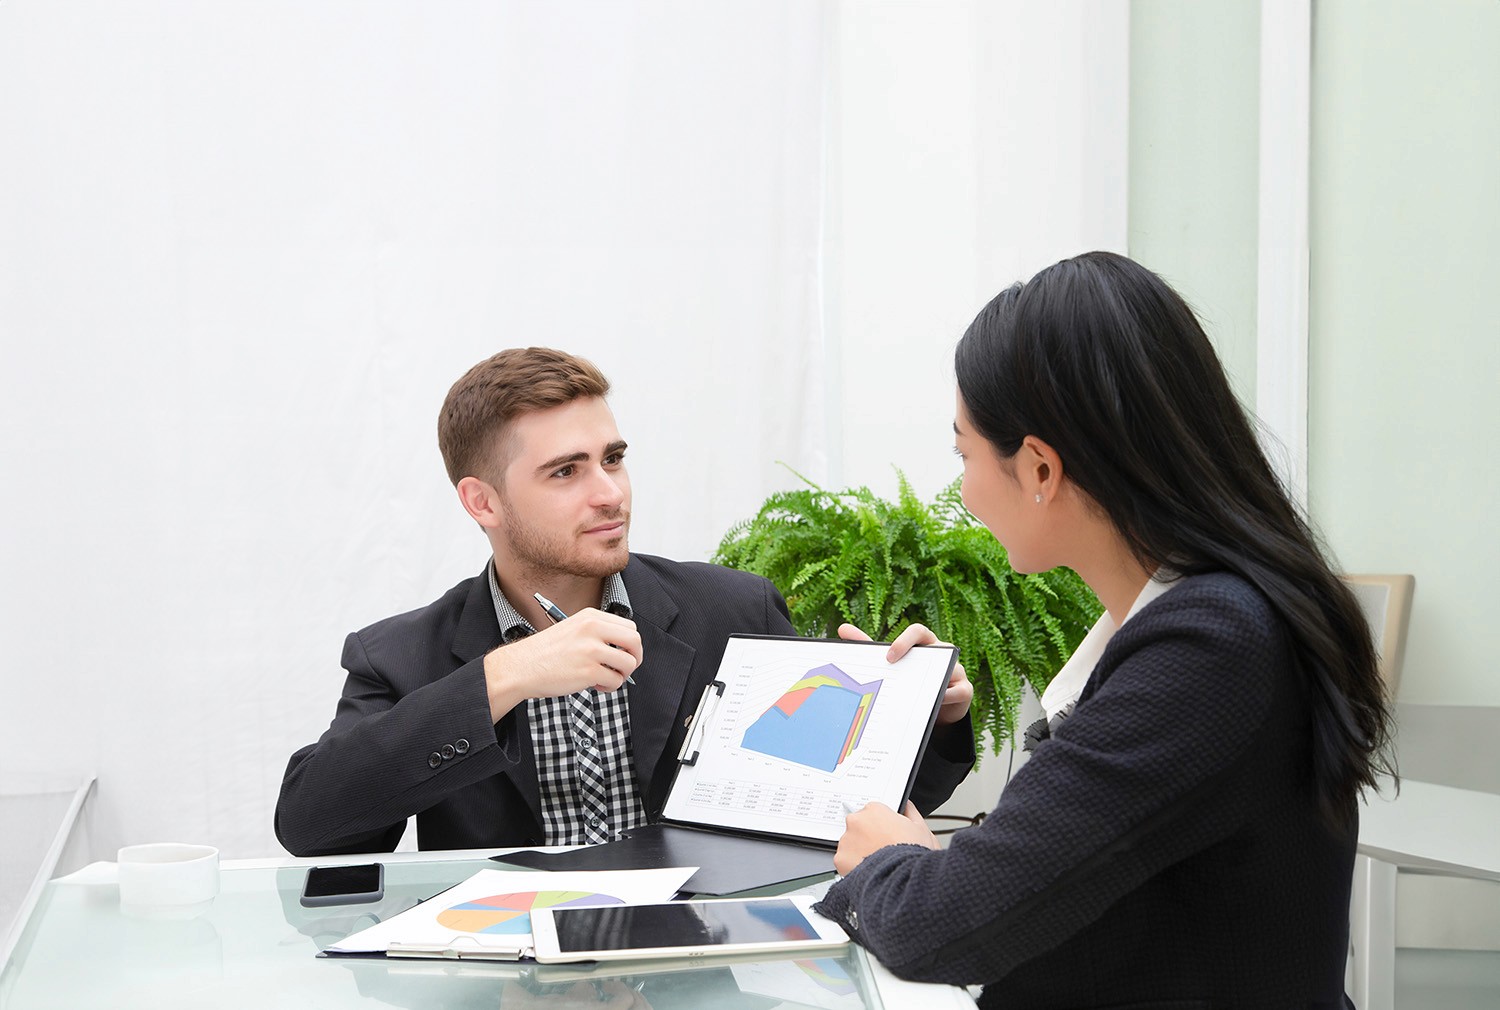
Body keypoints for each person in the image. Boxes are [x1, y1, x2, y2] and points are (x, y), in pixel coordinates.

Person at [815, 252, 1392, 1009]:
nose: (964, 488)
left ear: (1042, 470)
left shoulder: (1210, 648)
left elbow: (945, 927)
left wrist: (888, 866)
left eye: (965, 453)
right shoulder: (1213, 620)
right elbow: (1060, 863)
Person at [275, 347, 975, 856]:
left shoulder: (733, 612)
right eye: (565, 471)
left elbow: (840, 808)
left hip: (698, 969)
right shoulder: (401, 656)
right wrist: (505, 676)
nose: (609, 491)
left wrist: (930, 718)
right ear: (481, 501)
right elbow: (312, 825)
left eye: (612, 458)